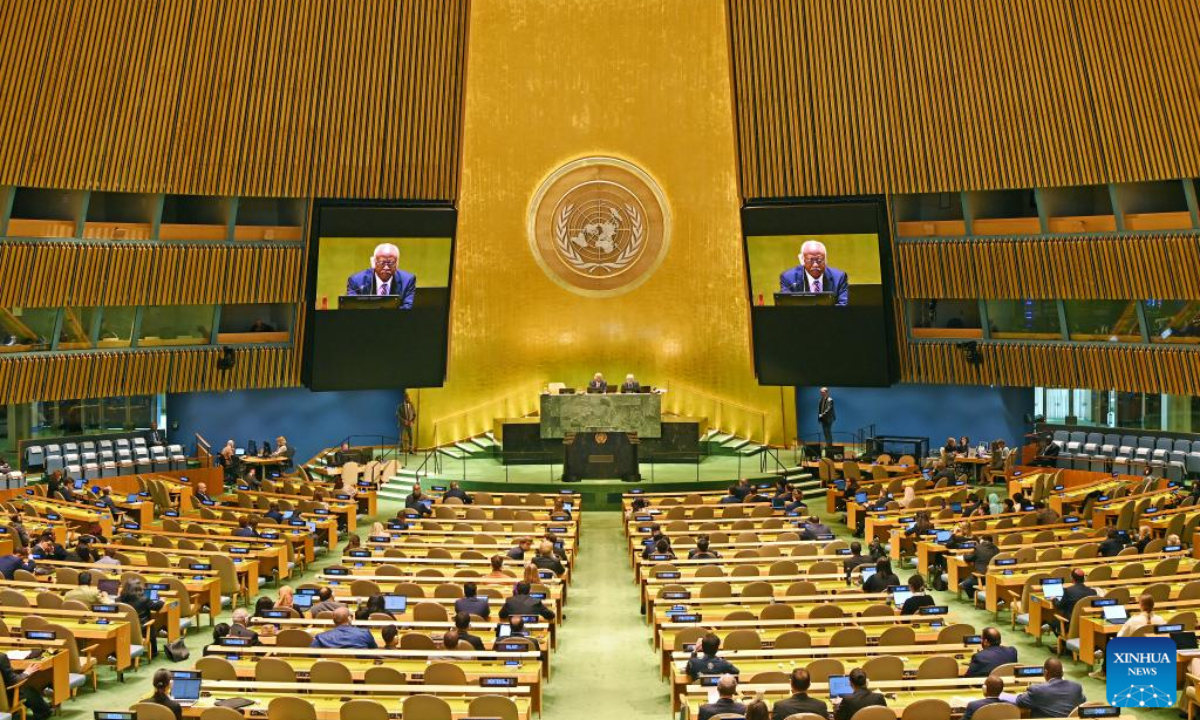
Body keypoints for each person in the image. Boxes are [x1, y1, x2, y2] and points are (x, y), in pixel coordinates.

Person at [345, 242, 416, 309]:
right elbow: (352, 309)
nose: (386, 267)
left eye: (391, 263)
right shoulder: (356, 281)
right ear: (373, 262)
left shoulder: (408, 281)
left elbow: (408, 309)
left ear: (397, 263)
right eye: (382, 262)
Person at [779, 239, 849, 306]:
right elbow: (787, 307)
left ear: (826, 259)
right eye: (810, 260)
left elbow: (843, 305)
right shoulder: (789, 278)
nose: (815, 265)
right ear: (802, 260)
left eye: (819, 260)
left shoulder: (839, 277)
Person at [1015, 658, 1086, 718]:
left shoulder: (1038, 690)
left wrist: (1023, 694)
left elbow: (1019, 701)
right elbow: (1083, 703)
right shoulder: (1076, 688)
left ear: (1045, 672)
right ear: (1062, 672)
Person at [119, 577, 164, 656]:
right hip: (142, 630)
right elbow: (156, 607)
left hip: (124, 628)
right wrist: (162, 601)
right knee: (151, 624)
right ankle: (154, 652)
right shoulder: (144, 599)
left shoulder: (118, 600)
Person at [0, 650, 50, 720]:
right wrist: (27, 672)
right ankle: (44, 712)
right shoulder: (1, 657)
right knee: (27, 689)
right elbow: (14, 681)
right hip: (4, 700)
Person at [1054, 569, 1097, 635]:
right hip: (1087, 624)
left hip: (1071, 625)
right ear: (1084, 579)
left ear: (1072, 578)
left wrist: (1054, 599)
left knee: (1054, 621)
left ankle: (1063, 642)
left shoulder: (1068, 591)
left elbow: (1059, 606)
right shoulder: (1093, 592)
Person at [311, 607, 377, 649]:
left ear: (333, 621)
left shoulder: (320, 637)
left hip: (330, 669)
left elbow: (312, 655)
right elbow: (374, 651)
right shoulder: (365, 633)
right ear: (349, 618)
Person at [960, 534, 999, 599]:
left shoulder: (978, 548)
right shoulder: (996, 549)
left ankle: (976, 598)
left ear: (982, 540)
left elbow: (969, 558)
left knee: (965, 584)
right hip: (992, 576)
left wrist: (964, 555)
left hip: (982, 577)